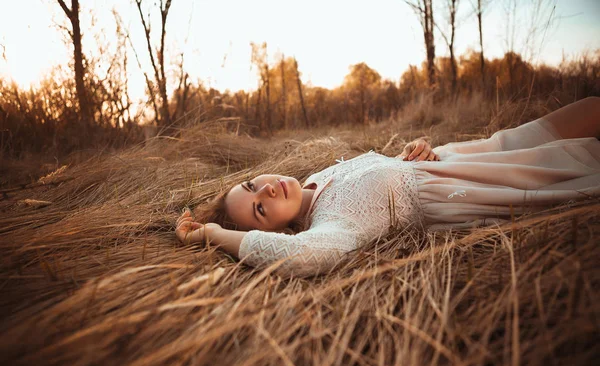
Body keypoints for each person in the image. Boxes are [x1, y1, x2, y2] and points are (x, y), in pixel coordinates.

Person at [175, 97, 600, 278]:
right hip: (481, 184)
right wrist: (213, 234)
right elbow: (304, 259)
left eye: (253, 185)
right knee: (583, 158)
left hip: (463, 156)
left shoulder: (318, 178)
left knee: (590, 109)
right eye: (260, 210)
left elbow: (385, 168)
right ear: (273, 232)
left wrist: (415, 149)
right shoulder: (331, 224)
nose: (266, 192)